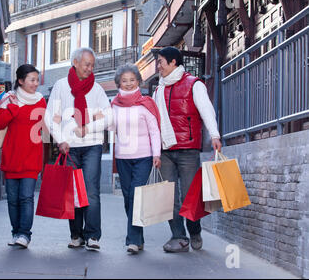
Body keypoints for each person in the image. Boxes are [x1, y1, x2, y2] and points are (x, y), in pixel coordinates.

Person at [152, 46, 222, 253]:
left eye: (161, 62)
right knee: (169, 197)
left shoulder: (194, 84)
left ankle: (194, 231)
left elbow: (207, 110)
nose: (158, 66)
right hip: (165, 150)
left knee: (190, 196)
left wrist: (215, 135)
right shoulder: (158, 89)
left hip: (188, 149)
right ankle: (178, 237)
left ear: (173, 62)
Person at [44, 47, 112, 251]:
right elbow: (50, 116)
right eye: (87, 64)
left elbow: (109, 117)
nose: (90, 69)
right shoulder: (61, 86)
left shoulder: (97, 89)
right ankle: (76, 235)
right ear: (75, 62)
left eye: (92, 65)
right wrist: (60, 139)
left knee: (91, 192)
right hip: (70, 147)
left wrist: (87, 128)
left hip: (92, 145)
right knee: (73, 192)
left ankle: (92, 236)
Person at [111, 63, 161, 254]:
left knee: (135, 197)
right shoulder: (114, 105)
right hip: (122, 157)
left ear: (138, 81)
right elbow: (110, 127)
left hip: (144, 157)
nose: (129, 84)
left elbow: (154, 131)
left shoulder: (145, 103)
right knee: (127, 198)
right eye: (124, 81)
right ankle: (138, 238)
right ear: (119, 83)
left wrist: (157, 154)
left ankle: (131, 240)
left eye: (132, 80)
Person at [0, 64, 46, 249]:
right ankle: (16, 233)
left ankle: (25, 234)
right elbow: (0, 124)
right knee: (12, 199)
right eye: (32, 80)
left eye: (37, 80)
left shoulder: (40, 101)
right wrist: (13, 108)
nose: (35, 84)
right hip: (12, 156)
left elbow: (45, 128)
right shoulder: (9, 99)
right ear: (21, 81)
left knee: (26, 197)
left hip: (32, 156)